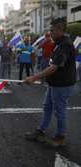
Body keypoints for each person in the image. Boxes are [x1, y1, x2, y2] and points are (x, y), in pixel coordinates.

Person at [24, 18, 76, 147]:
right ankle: (40, 131)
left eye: (52, 30)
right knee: (47, 107)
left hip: (62, 85)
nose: (50, 33)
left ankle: (60, 137)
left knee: (60, 111)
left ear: (60, 30)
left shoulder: (65, 44)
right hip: (54, 83)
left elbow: (54, 67)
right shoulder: (58, 43)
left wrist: (34, 78)